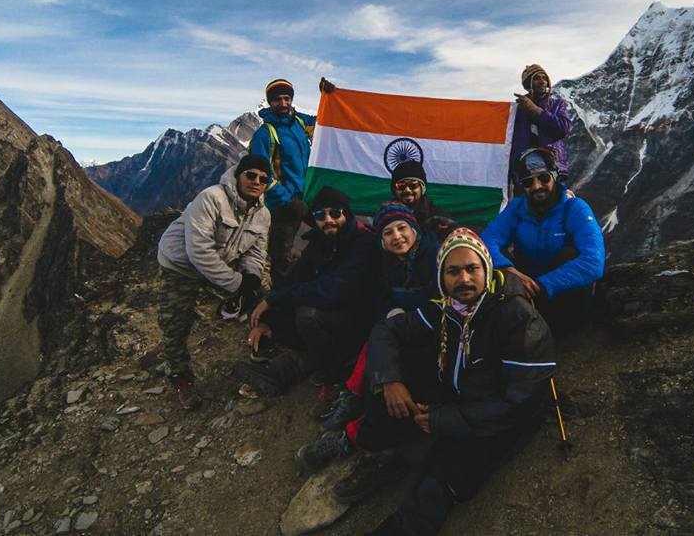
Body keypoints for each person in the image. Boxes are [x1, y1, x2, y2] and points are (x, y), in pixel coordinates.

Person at [344, 228, 555, 536]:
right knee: (396, 370)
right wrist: (390, 380)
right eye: (453, 271)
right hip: (459, 395)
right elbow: (386, 331)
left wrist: (447, 419)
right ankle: (382, 449)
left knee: (437, 481)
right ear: (442, 277)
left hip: (502, 421)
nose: (464, 280)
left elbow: (522, 402)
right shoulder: (446, 308)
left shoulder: (517, 318)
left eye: (472, 269)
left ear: (486, 269)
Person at [296, 202, 439, 465]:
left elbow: (438, 303)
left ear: (414, 228)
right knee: (378, 337)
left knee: (392, 372)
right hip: (402, 327)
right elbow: (384, 301)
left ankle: (352, 430)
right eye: (388, 232)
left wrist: (401, 321)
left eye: (402, 228)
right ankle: (354, 396)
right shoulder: (388, 264)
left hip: (428, 333)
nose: (397, 236)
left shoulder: (434, 257)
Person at [233, 186, 379, 397]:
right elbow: (294, 278)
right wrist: (268, 315)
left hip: (359, 322)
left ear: (346, 213)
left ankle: (334, 374)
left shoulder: (364, 244)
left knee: (307, 316)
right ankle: (290, 362)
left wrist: (276, 298)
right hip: (332, 317)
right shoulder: (320, 243)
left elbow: (332, 290)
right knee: (278, 309)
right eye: (320, 215)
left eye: (335, 213)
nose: (328, 219)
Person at [154, 154, 271, 409]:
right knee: (175, 320)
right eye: (250, 175)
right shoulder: (211, 197)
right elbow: (198, 251)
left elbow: (256, 251)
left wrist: (251, 279)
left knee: (262, 299)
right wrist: (236, 284)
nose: (256, 181)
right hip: (180, 264)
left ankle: (262, 352)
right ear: (238, 175)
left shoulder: (263, 215)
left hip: (221, 261)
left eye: (263, 178)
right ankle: (179, 374)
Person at [481, 146, 605, 335]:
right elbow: (488, 239)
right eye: (529, 182)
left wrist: (541, 285)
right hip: (526, 286)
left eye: (544, 178)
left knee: (569, 254)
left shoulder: (575, 208)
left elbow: (593, 262)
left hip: (561, 291)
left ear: (555, 176)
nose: (537, 186)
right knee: (497, 261)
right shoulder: (518, 208)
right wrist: (509, 270)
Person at [248, 78, 317, 284]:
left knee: (329, 237)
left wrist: (329, 96)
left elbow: (324, 122)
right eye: (278, 99)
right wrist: (285, 198)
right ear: (270, 102)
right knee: (281, 258)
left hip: (308, 196)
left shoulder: (299, 122)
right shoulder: (264, 134)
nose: (284, 103)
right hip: (283, 205)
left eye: (287, 98)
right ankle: (279, 302)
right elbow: (261, 172)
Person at [509, 64, 572, 188]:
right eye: (537, 78)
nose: (542, 81)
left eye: (544, 78)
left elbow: (563, 128)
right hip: (524, 168)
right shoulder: (517, 109)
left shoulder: (558, 105)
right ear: (529, 84)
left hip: (552, 165)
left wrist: (536, 111)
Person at [389, 161, 455, 241]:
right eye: (401, 186)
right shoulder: (385, 214)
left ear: (422, 188)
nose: (407, 190)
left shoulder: (438, 217)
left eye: (413, 185)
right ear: (394, 190)